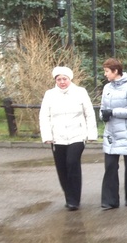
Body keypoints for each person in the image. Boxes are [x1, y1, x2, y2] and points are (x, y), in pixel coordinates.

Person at [39, 66, 98, 211]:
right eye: (58, 79)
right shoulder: (50, 94)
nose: (62, 82)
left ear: (70, 79)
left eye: (64, 79)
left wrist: (91, 135)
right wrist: (47, 136)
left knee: (72, 163)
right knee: (62, 167)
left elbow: (89, 113)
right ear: (55, 81)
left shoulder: (80, 92)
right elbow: (44, 116)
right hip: (57, 137)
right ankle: (69, 195)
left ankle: (74, 200)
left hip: (77, 135)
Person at [99, 58, 127, 209]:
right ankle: (109, 200)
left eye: (106, 71)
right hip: (112, 132)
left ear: (115, 71)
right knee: (110, 166)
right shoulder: (107, 88)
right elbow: (103, 107)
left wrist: (113, 112)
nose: (105, 74)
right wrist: (103, 115)